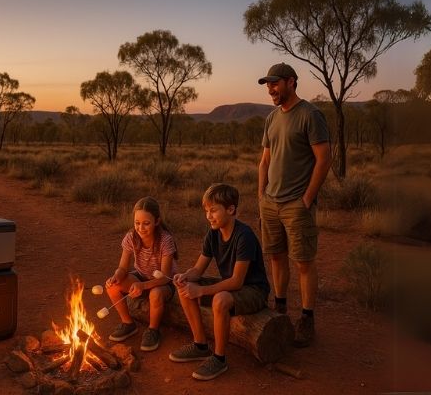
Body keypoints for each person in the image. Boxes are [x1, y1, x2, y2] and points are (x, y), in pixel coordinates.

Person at [256, 62, 332, 347]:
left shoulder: (310, 115)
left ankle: (307, 320)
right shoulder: (272, 118)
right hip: (271, 203)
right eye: (267, 84)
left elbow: (324, 159)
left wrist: (307, 199)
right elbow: (264, 161)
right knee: (276, 257)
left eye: (275, 83)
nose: (270, 89)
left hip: (296, 204)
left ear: (291, 82)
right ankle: (280, 311)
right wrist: (261, 196)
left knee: (303, 262)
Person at [168, 183, 269, 381]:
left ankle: (219, 358)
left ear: (231, 209)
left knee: (220, 300)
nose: (208, 216)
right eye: (206, 211)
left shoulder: (244, 236)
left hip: (253, 290)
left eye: (213, 210)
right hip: (230, 285)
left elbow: (237, 281)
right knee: (184, 288)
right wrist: (186, 276)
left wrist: (202, 291)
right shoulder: (213, 234)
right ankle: (200, 345)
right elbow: (198, 269)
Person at [104, 196, 178, 352]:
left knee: (155, 294)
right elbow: (123, 268)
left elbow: (164, 276)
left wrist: (143, 286)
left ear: (157, 221)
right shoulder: (131, 237)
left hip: (164, 284)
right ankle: (128, 324)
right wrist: (116, 276)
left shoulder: (165, 240)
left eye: (146, 223)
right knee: (112, 286)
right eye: (137, 223)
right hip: (141, 276)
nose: (141, 228)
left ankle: (153, 330)